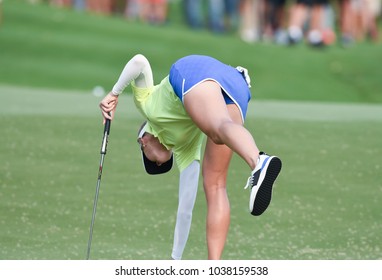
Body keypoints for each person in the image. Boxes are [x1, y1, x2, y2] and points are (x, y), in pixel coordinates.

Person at [99, 54, 282, 260]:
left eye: (153, 162)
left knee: (217, 130)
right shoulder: (185, 150)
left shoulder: (146, 106)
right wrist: (175, 259)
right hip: (234, 83)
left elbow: (139, 62)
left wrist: (114, 93)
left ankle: (259, 162)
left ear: (143, 141)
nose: (159, 163)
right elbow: (185, 209)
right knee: (215, 185)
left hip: (192, 72)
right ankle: (214, 267)